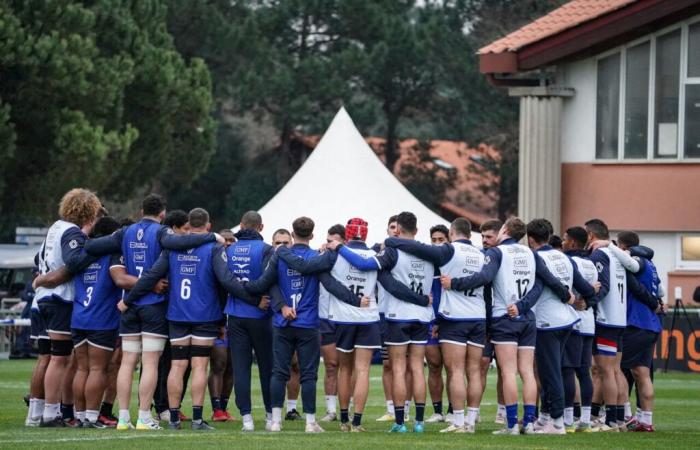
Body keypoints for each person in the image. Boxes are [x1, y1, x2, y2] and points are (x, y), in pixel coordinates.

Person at [84, 194, 218, 430]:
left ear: (140, 210)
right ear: (162, 214)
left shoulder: (125, 232)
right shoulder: (161, 232)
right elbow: (181, 243)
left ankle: (124, 418)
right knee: (150, 363)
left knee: (127, 362)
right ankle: (144, 416)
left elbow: (93, 246)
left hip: (128, 306)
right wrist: (212, 236)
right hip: (153, 304)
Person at [124, 208, 255, 431]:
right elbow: (227, 281)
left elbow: (150, 276)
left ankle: (173, 418)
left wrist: (129, 300)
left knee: (177, 365)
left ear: (189, 224)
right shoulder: (213, 247)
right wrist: (252, 299)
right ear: (208, 225)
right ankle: (196, 419)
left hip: (177, 315)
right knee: (199, 366)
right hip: (204, 315)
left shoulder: (173, 248)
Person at [440, 217, 571, 435]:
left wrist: (454, 283)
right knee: (527, 372)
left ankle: (511, 425)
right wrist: (564, 295)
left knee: (509, 371)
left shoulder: (497, 252)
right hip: (527, 317)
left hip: (505, 317)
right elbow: (544, 281)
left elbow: (484, 277)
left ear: (505, 230)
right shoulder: (531, 253)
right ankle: (528, 423)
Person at [384, 218, 487, 433]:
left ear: (451, 233)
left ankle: (456, 422)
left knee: (454, 370)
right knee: (474, 371)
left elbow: (414, 246)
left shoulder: (448, 251)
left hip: (452, 316)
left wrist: (391, 241)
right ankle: (471, 420)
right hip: (478, 315)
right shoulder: (481, 254)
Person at [336, 212, 433, 433]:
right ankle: (419, 422)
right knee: (417, 368)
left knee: (398, 369)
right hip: (422, 315)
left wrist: (339, 247)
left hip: (398, 315)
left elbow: (365, 265)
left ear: (396, 230)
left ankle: (399, 422)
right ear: (416, 231)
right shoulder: (428, 253)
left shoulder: (391, 251)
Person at [34, 188, 103, 427]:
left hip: (45, 297)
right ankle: (51, 414)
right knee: (60, 358)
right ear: (88, 211)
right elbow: (74, 261)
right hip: (59, 298)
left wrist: (44, 276)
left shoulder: (56, 227)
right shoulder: (72, 232)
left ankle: (48, 411)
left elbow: (37, 258)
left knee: (57, 357)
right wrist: (96, 249)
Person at [526, 219, 596, 435]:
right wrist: (586, 298)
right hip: (567, 321)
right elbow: (586, 288)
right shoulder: (564, 257)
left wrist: (566, 296)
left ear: (530, 239)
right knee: (551, 370)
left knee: (550, 372)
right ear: (548, 236)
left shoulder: (536, 257)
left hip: (548, 321)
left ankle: (557, 423)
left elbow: (548, 282)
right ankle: (545, 417)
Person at [591, 231, 664, 432]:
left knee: (616, 370)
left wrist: (608, 246)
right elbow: (661, 291)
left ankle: (623, 416)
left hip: (636, 322)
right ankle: (645, 420)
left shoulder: (635, 261)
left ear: (623, 248)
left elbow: (633, 272)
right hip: (652, 324)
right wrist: (657, 303)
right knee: (642, 372)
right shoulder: (652, 265)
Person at [224, 212, 275, 431]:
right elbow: (269, 279)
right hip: (262, 316)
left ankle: (247, 418)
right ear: (261, 227)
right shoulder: (265, 250)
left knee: (241, 368)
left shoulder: (228, 249)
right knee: (267, 367)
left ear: (242, 225)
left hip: (236, 315)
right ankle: (271, 415)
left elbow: (225, 281)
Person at [584, 219, 627, 432]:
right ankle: (619, 419)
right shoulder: (617, 253)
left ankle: (610, 421)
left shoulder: (599, 254)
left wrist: (587, 301)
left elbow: (603, 287)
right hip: (619, 319)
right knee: (615, 370)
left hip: (606, 319)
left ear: (591, 235)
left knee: (606, 372)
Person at [562, 226, 598, 432]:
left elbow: (568, 290)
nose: (563, 243)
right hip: (588, 323)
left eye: (566, 239)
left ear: (573, 242)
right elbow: (594, 290)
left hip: (573, 322)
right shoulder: (591, 264)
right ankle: (585, 419)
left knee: (567, 369)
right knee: (584, 372)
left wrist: (577, 301)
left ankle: (567, 418)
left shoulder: (569, 262)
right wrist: (589, 300)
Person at [478, 219, 505, 425]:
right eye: (483, 237)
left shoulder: (507, 256)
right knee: (482, 364)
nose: (485, 241)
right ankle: (474, 409)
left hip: (506, 319)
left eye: (489, 237)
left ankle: (503, 410)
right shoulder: (481, 257)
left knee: (506, 368)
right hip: (486, 320)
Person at [318, 224, 345, 422]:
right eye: (328, 240)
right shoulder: (321, 258)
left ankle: (347, 408)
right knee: (331, 365)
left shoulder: (351, 260)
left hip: (346, 317)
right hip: (324, 317)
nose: (330, 244)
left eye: (334, 241)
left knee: (347, 366)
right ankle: (331, 410)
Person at [424, 224, 449, 424]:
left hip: (451, 320)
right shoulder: (427, 261)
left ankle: (453, 410)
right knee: (434, 365)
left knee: (453, 367)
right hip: (430, 320)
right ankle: (438, 411)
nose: (437, 243)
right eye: (434, 240)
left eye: (441, 239)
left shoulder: (454, 262)